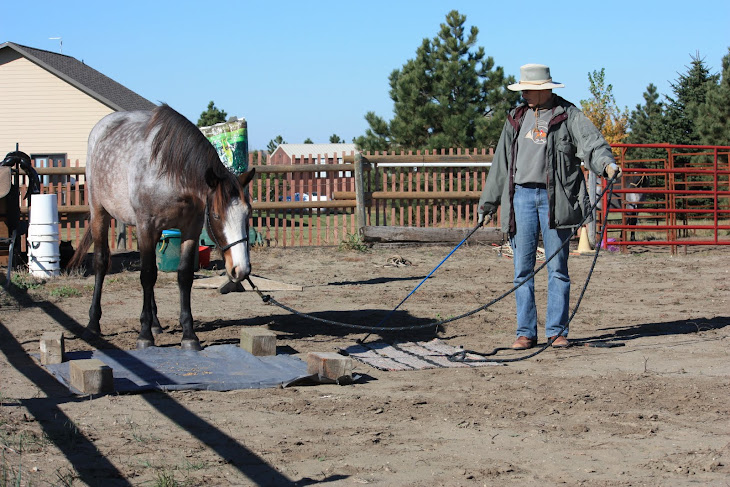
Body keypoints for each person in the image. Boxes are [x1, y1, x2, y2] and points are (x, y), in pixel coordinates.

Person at [477, 64, 621, 350]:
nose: (525, 94)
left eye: (528, 89)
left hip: (557, 200)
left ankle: (557, 331)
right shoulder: (516, 118)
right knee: (522, 269)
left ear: (544, 89)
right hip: (521, 198)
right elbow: (501, 164)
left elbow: (592, 143)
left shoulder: (569, 115)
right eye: (523, 90)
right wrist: (488, 203)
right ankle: (525, 333)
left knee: (558, 268)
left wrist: (607, 164)